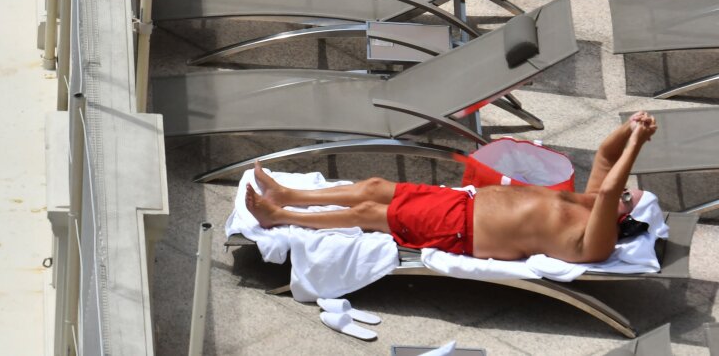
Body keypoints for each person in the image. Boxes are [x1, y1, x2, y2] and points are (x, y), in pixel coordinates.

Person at [244, 112, 658, 263]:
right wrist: (630, 126)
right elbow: (605, 158)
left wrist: (637, 146)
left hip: (464, 230)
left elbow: (608, 190)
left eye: (628, 197)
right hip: (463, 202)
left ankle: (278, 216)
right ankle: (288, 195)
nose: (620, 191)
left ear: (626, 219)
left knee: (370, 216)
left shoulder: (597, 240)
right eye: (626, 190)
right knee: (374, 186)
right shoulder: (588, 202)